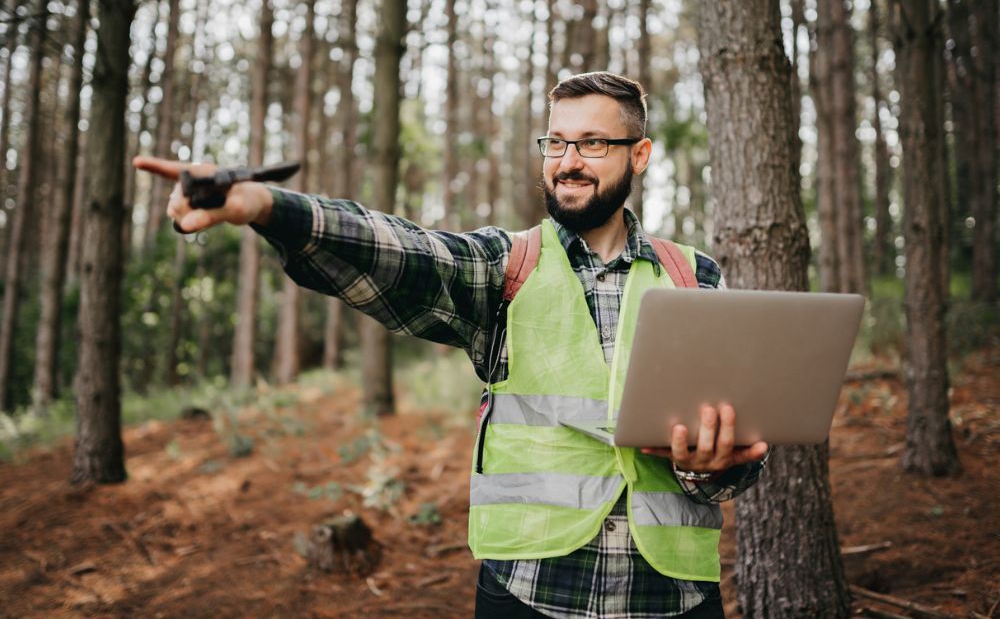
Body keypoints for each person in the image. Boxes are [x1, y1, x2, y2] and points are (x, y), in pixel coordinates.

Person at [136, 71, 769, 619]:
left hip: (671, 597)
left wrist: (710, 466)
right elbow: (406, 255)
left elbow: (734, 462)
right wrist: (266, 206)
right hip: (529, 591)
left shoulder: (695, 276)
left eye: (593, 142)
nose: (567, 160)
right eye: (556, 142)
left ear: (640, 155)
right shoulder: (505, 266)